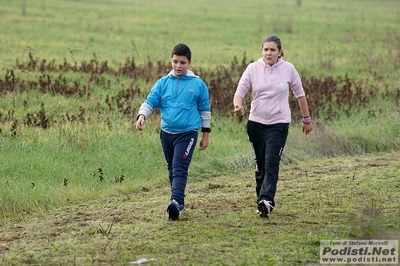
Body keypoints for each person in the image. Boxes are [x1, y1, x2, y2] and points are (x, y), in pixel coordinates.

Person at [233, 35, 313, 218]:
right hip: (256, 124)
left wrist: (306, 119)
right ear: (261, 51)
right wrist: (238, 106)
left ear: (280, 52)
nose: (268, 53)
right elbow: (240, 92)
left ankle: (267, 200)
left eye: (273, 50)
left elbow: (300, 95)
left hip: (279, 124)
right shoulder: (253, 68)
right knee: (260, 165)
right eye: (266, 49)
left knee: (271, 163)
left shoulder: (288, 69)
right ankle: (261, 202)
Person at [136, 43, 211, 221]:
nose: (178, 66)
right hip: (166, 133)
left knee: (179, 167)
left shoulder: (198, 84)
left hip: (188, 133)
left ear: (189, 63)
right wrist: (142, 116)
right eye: (175, 62)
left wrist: (205, 135)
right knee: (172, 168)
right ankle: (180, 203)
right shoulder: (163, 83)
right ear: (171, 60)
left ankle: (175, 201)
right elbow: (151, 100)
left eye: (182, 62)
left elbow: (205, 111)